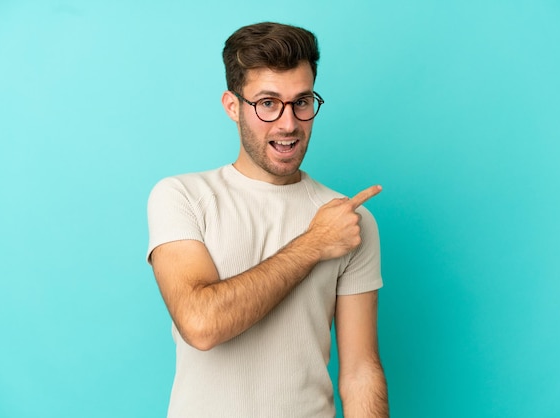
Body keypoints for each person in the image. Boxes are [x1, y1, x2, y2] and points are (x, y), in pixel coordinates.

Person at [146, 21, 388, 417]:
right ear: (232, 106)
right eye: (268, 103)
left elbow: (361, 372)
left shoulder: (350, 220)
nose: (289, 123)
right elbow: (200, 323)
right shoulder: (181, 197)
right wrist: (313, 244)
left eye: (302, 102)